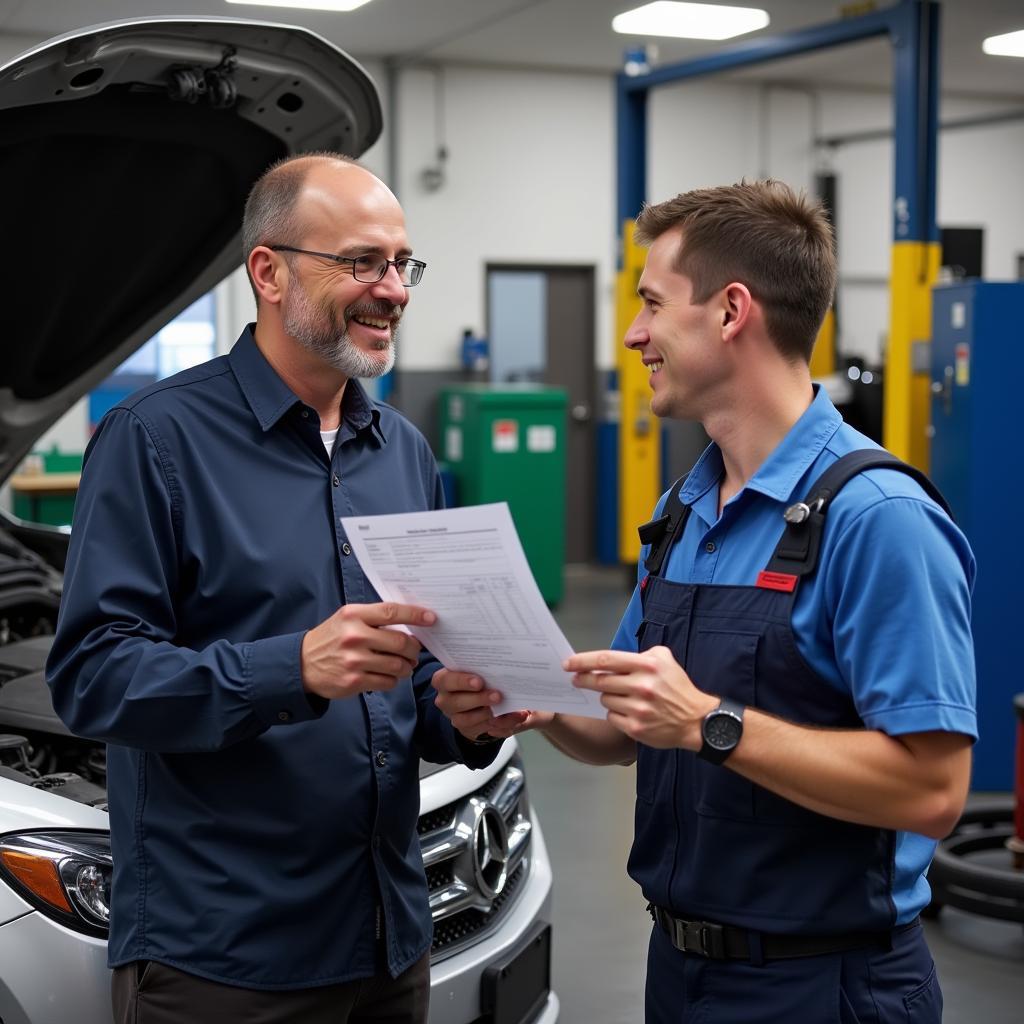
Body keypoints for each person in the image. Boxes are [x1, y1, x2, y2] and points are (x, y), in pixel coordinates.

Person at [436, 180, 977, 1022]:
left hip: (825, 987)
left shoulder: (880, 521)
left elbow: (933, 791)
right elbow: (620, 729)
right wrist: (530, 700)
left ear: (732, 312)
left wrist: (707, 724)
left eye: (652, 303)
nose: (634, 333)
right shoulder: (686, 513)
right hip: (682, 972)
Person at [46, 152, 506, 1024]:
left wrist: (463, 712)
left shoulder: (402, 450)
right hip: (228, 958)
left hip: (391, 938)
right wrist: (291, 666)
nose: (394, 289)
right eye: (362, 262)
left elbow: (406, 671)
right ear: (269, 272)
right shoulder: (153, 440)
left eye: (401, 264)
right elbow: (95, 676)